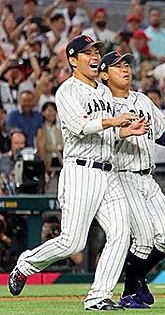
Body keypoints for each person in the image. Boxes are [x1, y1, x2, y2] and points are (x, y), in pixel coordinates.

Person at [7, 34, 149, 310]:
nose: (95, 56)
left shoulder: (104, 91)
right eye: (87, 53)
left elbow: (107, 133)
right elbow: (80, 126)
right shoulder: (67, 90)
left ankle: (99, 296)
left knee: (121, 233)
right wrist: (114, 121)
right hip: (80, 172)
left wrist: (124, 131)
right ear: (72, 60)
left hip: (109, 172)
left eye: (96, 51)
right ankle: (25, 264)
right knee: (72, 243)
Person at [98, 50, 165, 309]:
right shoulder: (103, 104)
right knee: (143, 239)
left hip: (148, 177)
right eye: (117, 66)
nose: (125, 69)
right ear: (104, 74)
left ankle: (138, 278)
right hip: (122, 176)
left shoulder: (142, 99)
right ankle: (129, 293)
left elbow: (163, 134)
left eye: (126, 65)